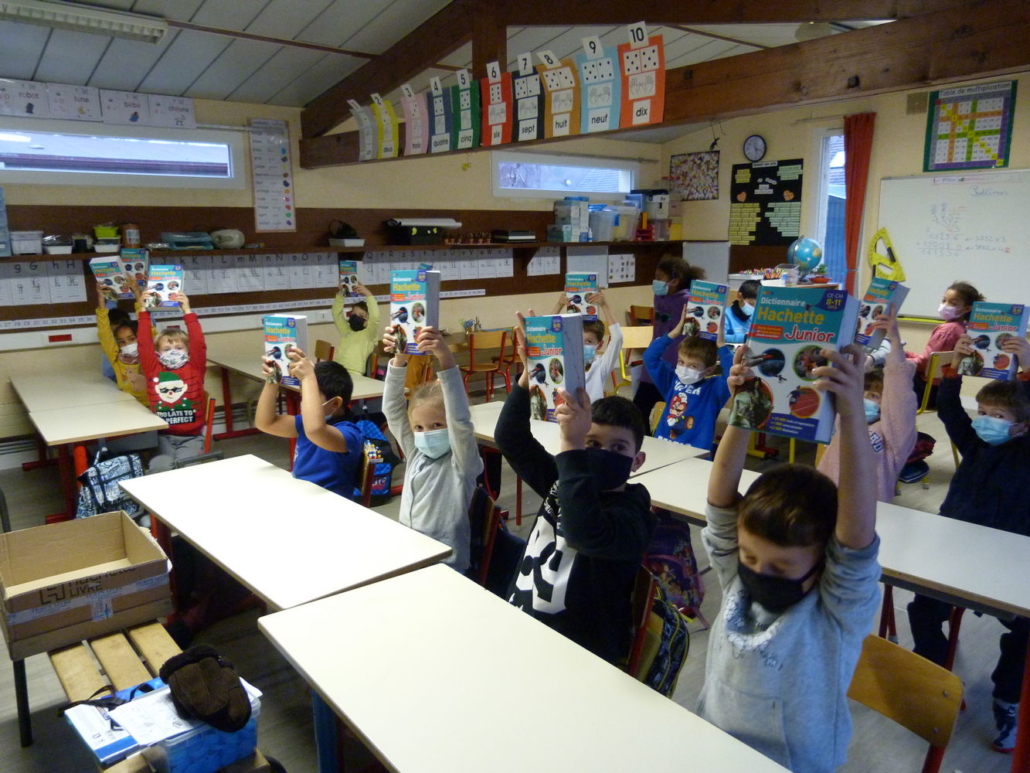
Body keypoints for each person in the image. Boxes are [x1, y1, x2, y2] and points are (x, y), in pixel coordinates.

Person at [699, 343, 880, 772]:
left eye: (781, 567)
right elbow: (720, 502)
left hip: (796, 764)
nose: (758, 572)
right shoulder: (737, 577)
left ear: (824, 561)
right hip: (713, 745)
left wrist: (852, 413)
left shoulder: (836, 609)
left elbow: (856, 536)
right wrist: (745, 404)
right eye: (750, 558)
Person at [495, 311, 656, 664]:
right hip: (521, 628)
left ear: (637, 461)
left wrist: (573, 443)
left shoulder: (632, 517)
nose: (601, 455)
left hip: (579, 656)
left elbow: (585, 531)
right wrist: (527, 375)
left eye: (618, 449)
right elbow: (510, 437)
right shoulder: (564, 480)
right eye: (593, 443)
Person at [907, 333, 1030, 753]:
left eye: (997, 415)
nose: (985, 420)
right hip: (956, 550)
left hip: (1008, 560)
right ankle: (940, 679)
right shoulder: (976, 443)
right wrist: (955, 368)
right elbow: (947, 410)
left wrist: (1027, 368)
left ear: (1023, 426)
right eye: (983, 412)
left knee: (1025, 632)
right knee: (922, 609)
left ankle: (1007, 700)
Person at [382, 323, 482, 573]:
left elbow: (460, 420)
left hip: (445, 564)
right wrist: (400, 356)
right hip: (410, 554)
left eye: (437, 424)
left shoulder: (461, 462)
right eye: (419, 428)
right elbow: (392, 411)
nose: (427, 433)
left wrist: (445, 359)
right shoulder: (416, 452)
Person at [819, 311, 918, 503]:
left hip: (867, 510)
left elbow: (899, 397)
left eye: (873, 396)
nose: (864, 399)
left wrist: (895, 342)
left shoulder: (892, 434)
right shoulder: (843, 419)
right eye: (863, 394)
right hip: (825, 502)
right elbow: (844, 378)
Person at [255, 348, 363, 500]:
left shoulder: (350, 434)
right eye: (304, 396)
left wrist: (308, 378)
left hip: (331, 507)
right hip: (301, 496)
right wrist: (273, 379)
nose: (305, 403)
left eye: (311, 397)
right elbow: (266, 423)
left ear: (335, 404)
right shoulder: (305, 423)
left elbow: (316, 430)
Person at [643, 305, 733, 451]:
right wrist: (674, 333)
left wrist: (722, 345)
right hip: (663, 445)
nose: (684, 368)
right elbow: (650, 357)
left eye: (693, 366)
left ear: (709, 370)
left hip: (695, 452)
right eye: (681, 362)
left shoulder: (714, 390)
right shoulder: (671, 381)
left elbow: (732, 374)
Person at [137, 290, 208, 472]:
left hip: (192, 437)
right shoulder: (153, 368)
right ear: (158, 353)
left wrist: (187, 310)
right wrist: (144, 310)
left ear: (187, 350)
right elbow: (144, 344)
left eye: (178, 347)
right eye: (167, 348)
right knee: (159, 469)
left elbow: (199, 343)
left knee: (187, 470)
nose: (173, 351)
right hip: (162, 436)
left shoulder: (194, 366)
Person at [633, 255, 706, 429]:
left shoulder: (688, 300)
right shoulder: (660, 297)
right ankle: (644, 441)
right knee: (638, 410)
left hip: (675, 365)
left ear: (674, 281)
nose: (655, 281)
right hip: (654, 361)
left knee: (675, 410)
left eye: (659, 278)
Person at [906, 280, 983, 404]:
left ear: (967, 308)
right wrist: (908, 355)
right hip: (942, 390)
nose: (945, 305)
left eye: (953, 303)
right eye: (944, 300)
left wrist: (897, 359)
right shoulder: (961, 329)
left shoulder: (947, 330)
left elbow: (925, 362)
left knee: (882, 368)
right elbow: (933, 358)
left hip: (925, 390)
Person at [551, 289, 624, 403]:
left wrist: (604, 305)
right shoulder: (563, 362)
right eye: (578, 340)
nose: (581, 345)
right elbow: (547, 334)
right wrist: (559, 305)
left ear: (599, 345)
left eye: (588, 341)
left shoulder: (600, 366)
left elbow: (618, 338)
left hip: (591, 418)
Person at [95, 283, 148, 406]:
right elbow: (104, 332)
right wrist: (101, 300)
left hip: (153, 406)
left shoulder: (149, 354)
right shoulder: (116, 359)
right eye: (122, 342)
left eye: (131, 339)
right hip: (129, 406)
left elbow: (146, 323)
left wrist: (136, 291)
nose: (127, 344)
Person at [331, 280, 381, 375]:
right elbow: (336, 313)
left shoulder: (369, 334)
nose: (356, 317)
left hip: (354, 373)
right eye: (353, 314)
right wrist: (341, 293)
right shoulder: (347, 331)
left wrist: (368, 294)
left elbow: (375, 318)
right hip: (337, 369)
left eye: (361, 315)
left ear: (368, 319)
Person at [102, 305, 133, 382]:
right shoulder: (110, 345)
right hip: (113, 380)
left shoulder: (135, 344)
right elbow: (108, 374)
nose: (119, 334)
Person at [724, 279, 760, 344]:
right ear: (740, 296)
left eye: (756, 305)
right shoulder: (726, 315)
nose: (753, 308)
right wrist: (744, 338)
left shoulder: (757, 315)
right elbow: (720, 337)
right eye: (751, 304)